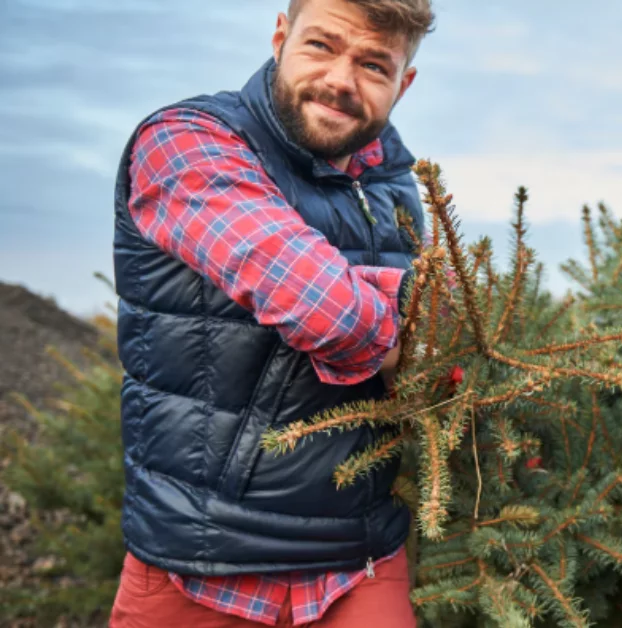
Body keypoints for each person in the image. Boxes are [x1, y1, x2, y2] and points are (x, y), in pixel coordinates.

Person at [107, 0, 435, 625]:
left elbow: (436, 342)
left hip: (359, 558)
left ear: (404, 84)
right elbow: (328, 310)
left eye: (373, 64)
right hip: (200, 560)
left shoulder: (394, 185)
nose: (341, 79)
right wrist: (401, 312)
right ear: (281, 38)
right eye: (321, 46)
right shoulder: (187, 142)